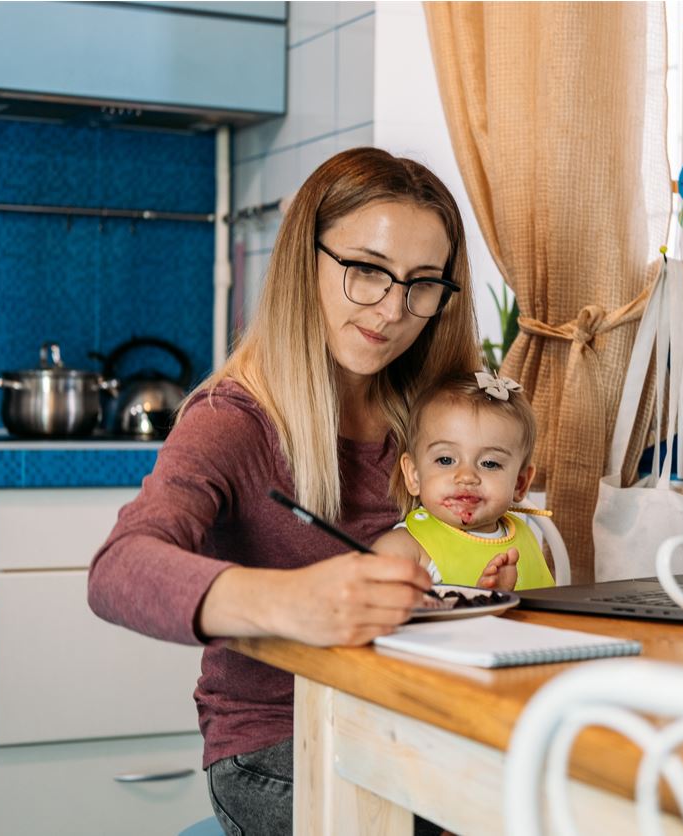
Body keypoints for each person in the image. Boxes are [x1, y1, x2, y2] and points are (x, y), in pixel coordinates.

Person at [87, 147, 482, 836]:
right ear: (307, 258)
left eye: (422, 284)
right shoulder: (234, 421)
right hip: (275, 746)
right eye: (365, 271)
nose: (391, 310)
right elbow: (117, 570)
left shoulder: (431, 418)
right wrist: (290, 601)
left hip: (410, 727)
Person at [374, 370, 556, 591]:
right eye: (445, 459)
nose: (466, 477)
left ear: (520, 483)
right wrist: (478, 600)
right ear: (414, 475)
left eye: (489, 463)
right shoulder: (402, 550)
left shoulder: (525, 539)